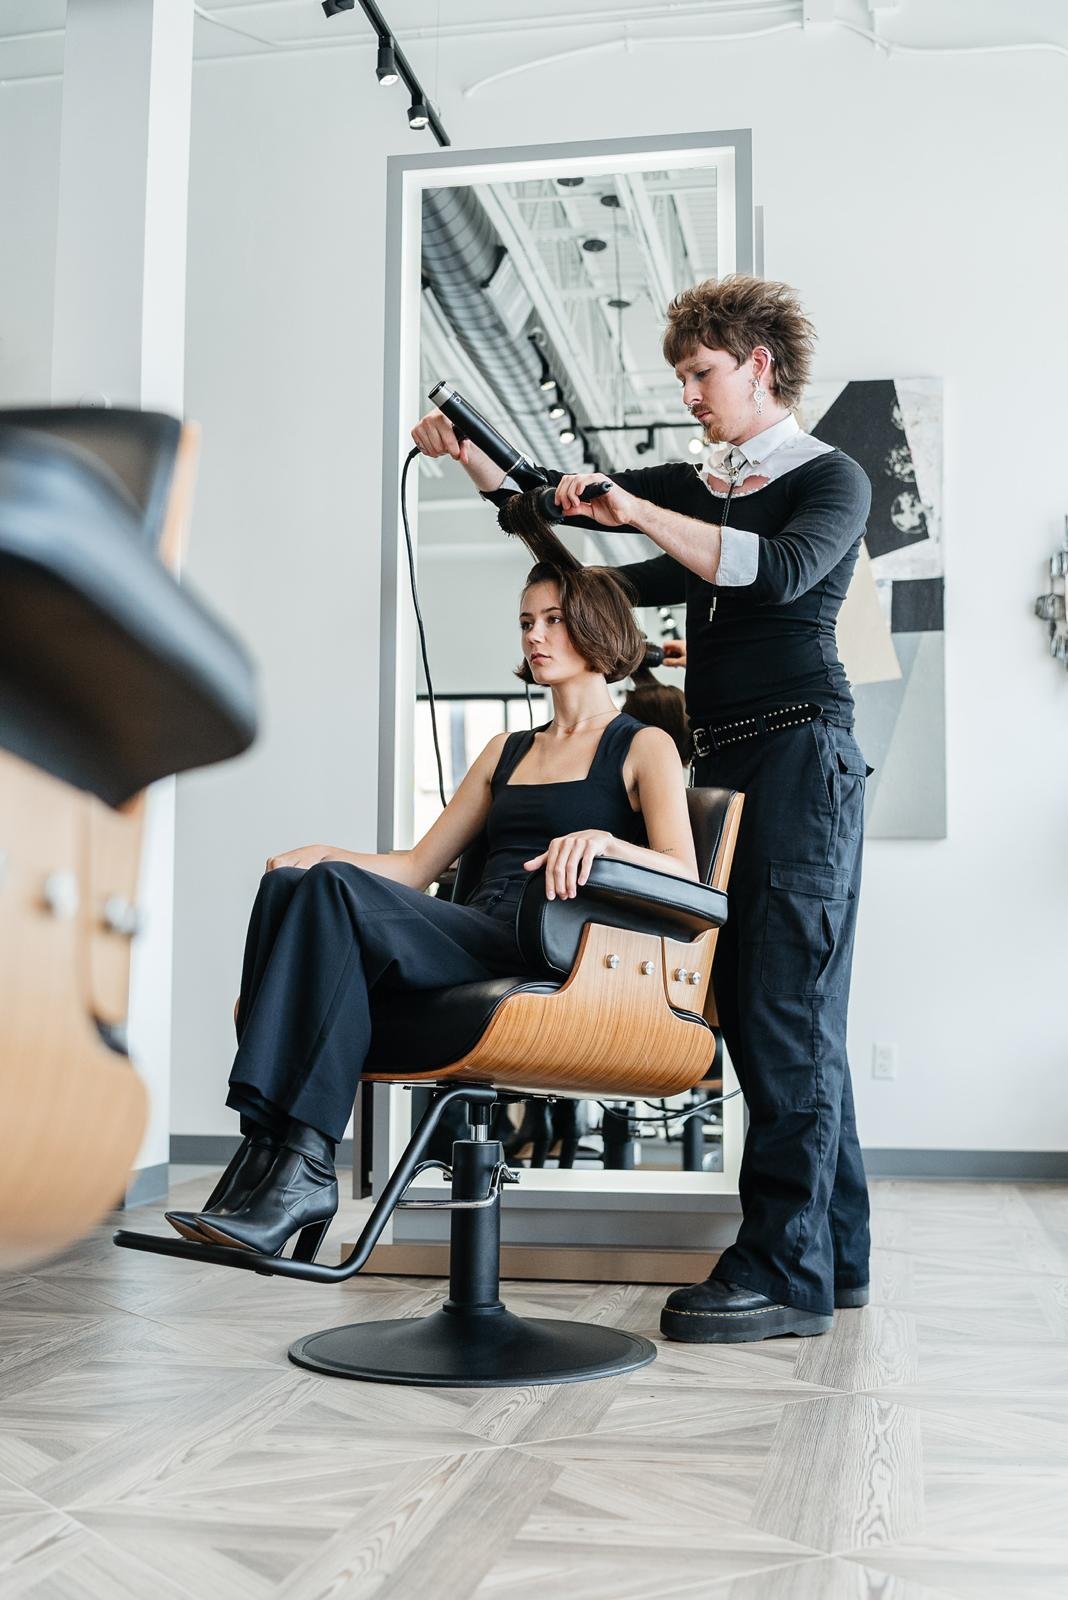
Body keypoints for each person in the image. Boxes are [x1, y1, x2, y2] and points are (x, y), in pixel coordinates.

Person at [413, 273, 873, 1344]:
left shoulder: (829, 478)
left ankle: (783, 1272)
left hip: (803, 758)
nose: (692, 396)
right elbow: (582, 556)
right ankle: (833, 1254)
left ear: (760, 365)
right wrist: (480, 458)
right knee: (780, 1013)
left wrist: (644, 508)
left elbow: (775, 572)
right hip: (727, 763)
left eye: (703, 374)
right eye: (683, 378)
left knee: (783, 1012)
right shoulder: (697, 486)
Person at [165, 559, 698, 1258]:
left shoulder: (643, 744)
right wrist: (334, 852)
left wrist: (607, 843)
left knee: (324, 891)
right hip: (475, 926)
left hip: (549, 944)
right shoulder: (505, 751)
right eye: (526, 623)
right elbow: (417, 868)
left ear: (597, 628)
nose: (534, 637)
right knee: (293, 884)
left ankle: (298, 1168)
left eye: (552, 621)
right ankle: (270, 1155)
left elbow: (686, 876)